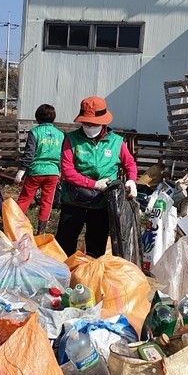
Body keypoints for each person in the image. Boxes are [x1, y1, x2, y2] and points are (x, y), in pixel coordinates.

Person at [56, 96, 138, 257]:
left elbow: (130, 164)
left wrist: (131, 180)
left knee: (96, 246)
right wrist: (93, 184)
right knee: (64, 245)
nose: (89, 126)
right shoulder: (71, 140)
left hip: (102, 204)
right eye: (86, 123)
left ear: (103, 122)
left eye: (93, 124)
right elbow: (67, 171)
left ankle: (90, 279)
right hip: (73, 201)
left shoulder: (116, 142)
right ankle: (62, 277)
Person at [14, 104, 64, 236]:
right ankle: (41, 231)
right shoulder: (60, 135)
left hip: (36, 171)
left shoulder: (35, 132)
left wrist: (21, 171)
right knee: (47, 201)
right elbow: (62, 155)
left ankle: (15, 226)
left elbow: (29, 154)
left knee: (25, 199)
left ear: (37, 118)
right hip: (53, 172)